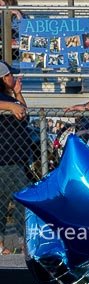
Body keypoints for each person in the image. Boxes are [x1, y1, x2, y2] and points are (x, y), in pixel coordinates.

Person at [0, 61, 31, 255]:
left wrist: (18, 94)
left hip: (16, 159)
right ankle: (23, 240)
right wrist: (10, 105)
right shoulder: (5, 101)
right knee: (20, 198)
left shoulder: (8, 97)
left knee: (12, 200)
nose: (14, 78)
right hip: (5, 159)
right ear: (3, 78)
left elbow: (24, 115)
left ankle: (20, 241)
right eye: (10, 75)